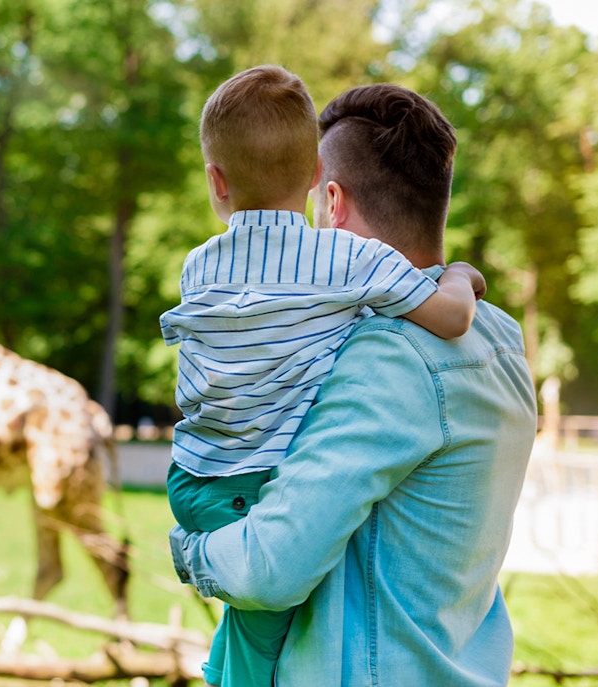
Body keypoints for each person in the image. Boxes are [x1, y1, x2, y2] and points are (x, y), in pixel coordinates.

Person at [169, 82, 537, 686]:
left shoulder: (386, 359)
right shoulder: (502, 341)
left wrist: (191, 553)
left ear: (331, 199)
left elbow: (270, 569)